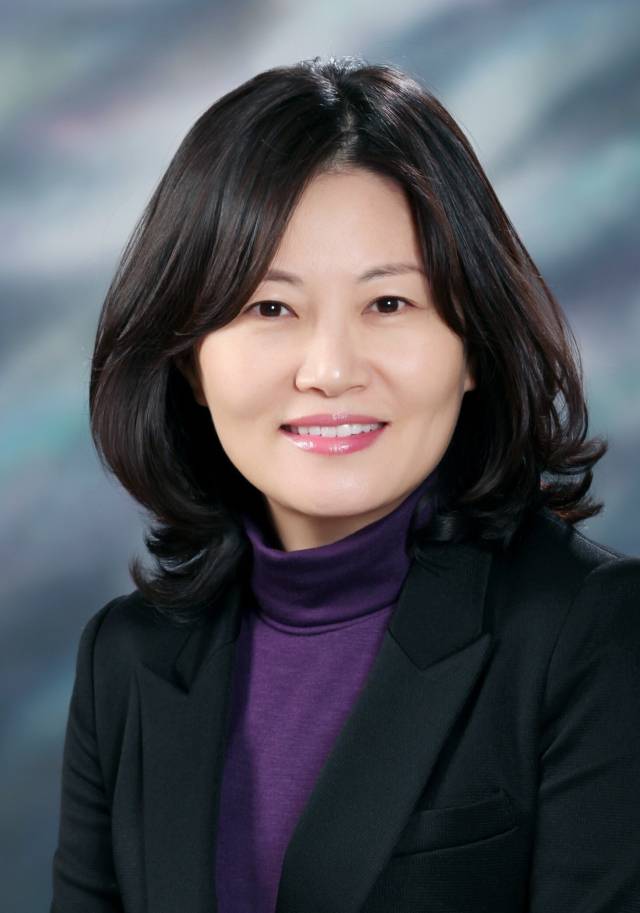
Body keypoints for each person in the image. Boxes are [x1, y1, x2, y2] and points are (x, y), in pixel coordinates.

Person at [50, 55, 640, 913]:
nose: (330, 370)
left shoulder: (591, 634)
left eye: (389, 304)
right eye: (270, 308)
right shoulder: (126, 660)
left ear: (472, 346)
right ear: (189, 361)